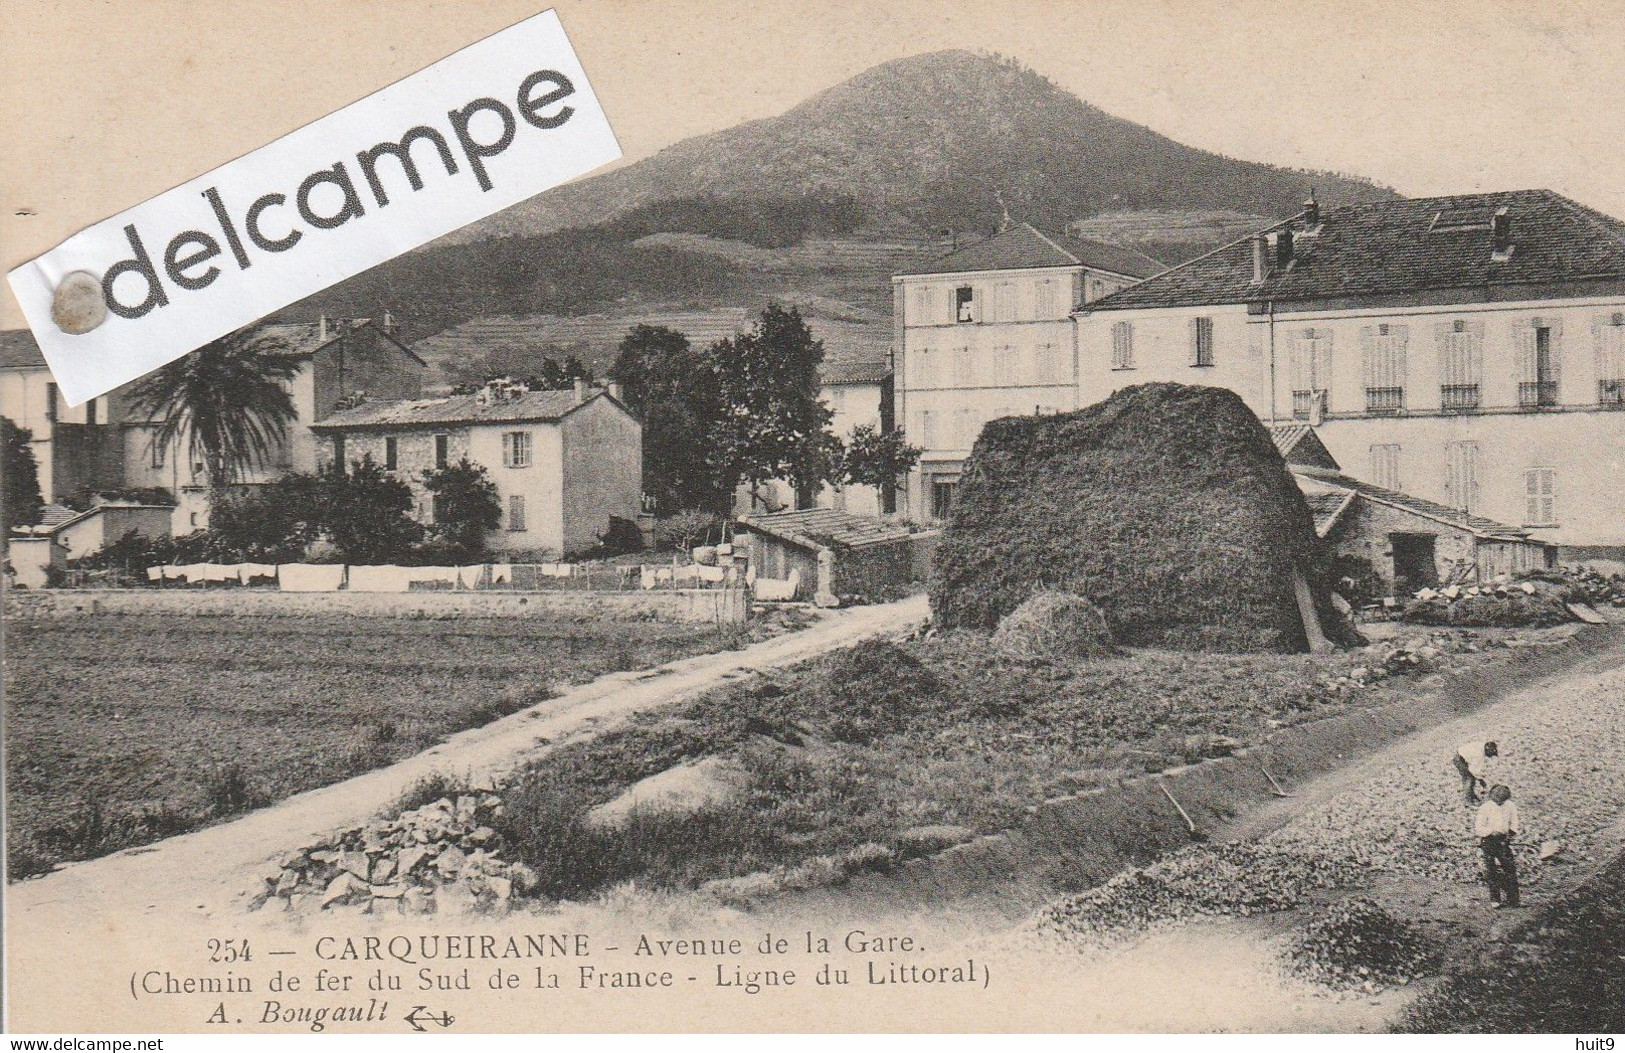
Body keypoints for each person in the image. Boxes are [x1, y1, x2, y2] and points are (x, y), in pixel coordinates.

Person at [1474, 784, 1521, 908]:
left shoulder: (1510, 806)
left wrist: (1510, 834)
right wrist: (1490, 832)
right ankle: (1495, 899)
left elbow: (1514, 822)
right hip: (1489, 841)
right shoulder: (1485, 808)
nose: (1500, 803)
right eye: (1498, 800)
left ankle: (1513, 899)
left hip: (1503, 840)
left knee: (1510, 868)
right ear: (1492, 797)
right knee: (1491, 870)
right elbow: (1479, 828)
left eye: (1502, 801)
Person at [1453, 740, 1499, 805]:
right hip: (1459, 759)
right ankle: (1467, 801)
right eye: (1490, 754)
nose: (1489, 756)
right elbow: (1474, 770)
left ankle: (1471, 795)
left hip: (1462, 757)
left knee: (1470, 778)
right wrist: (1481, 780)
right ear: (1487, 750)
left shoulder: (1482, 746)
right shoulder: (1479, 754)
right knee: (1469, 779)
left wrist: (1480, 779)